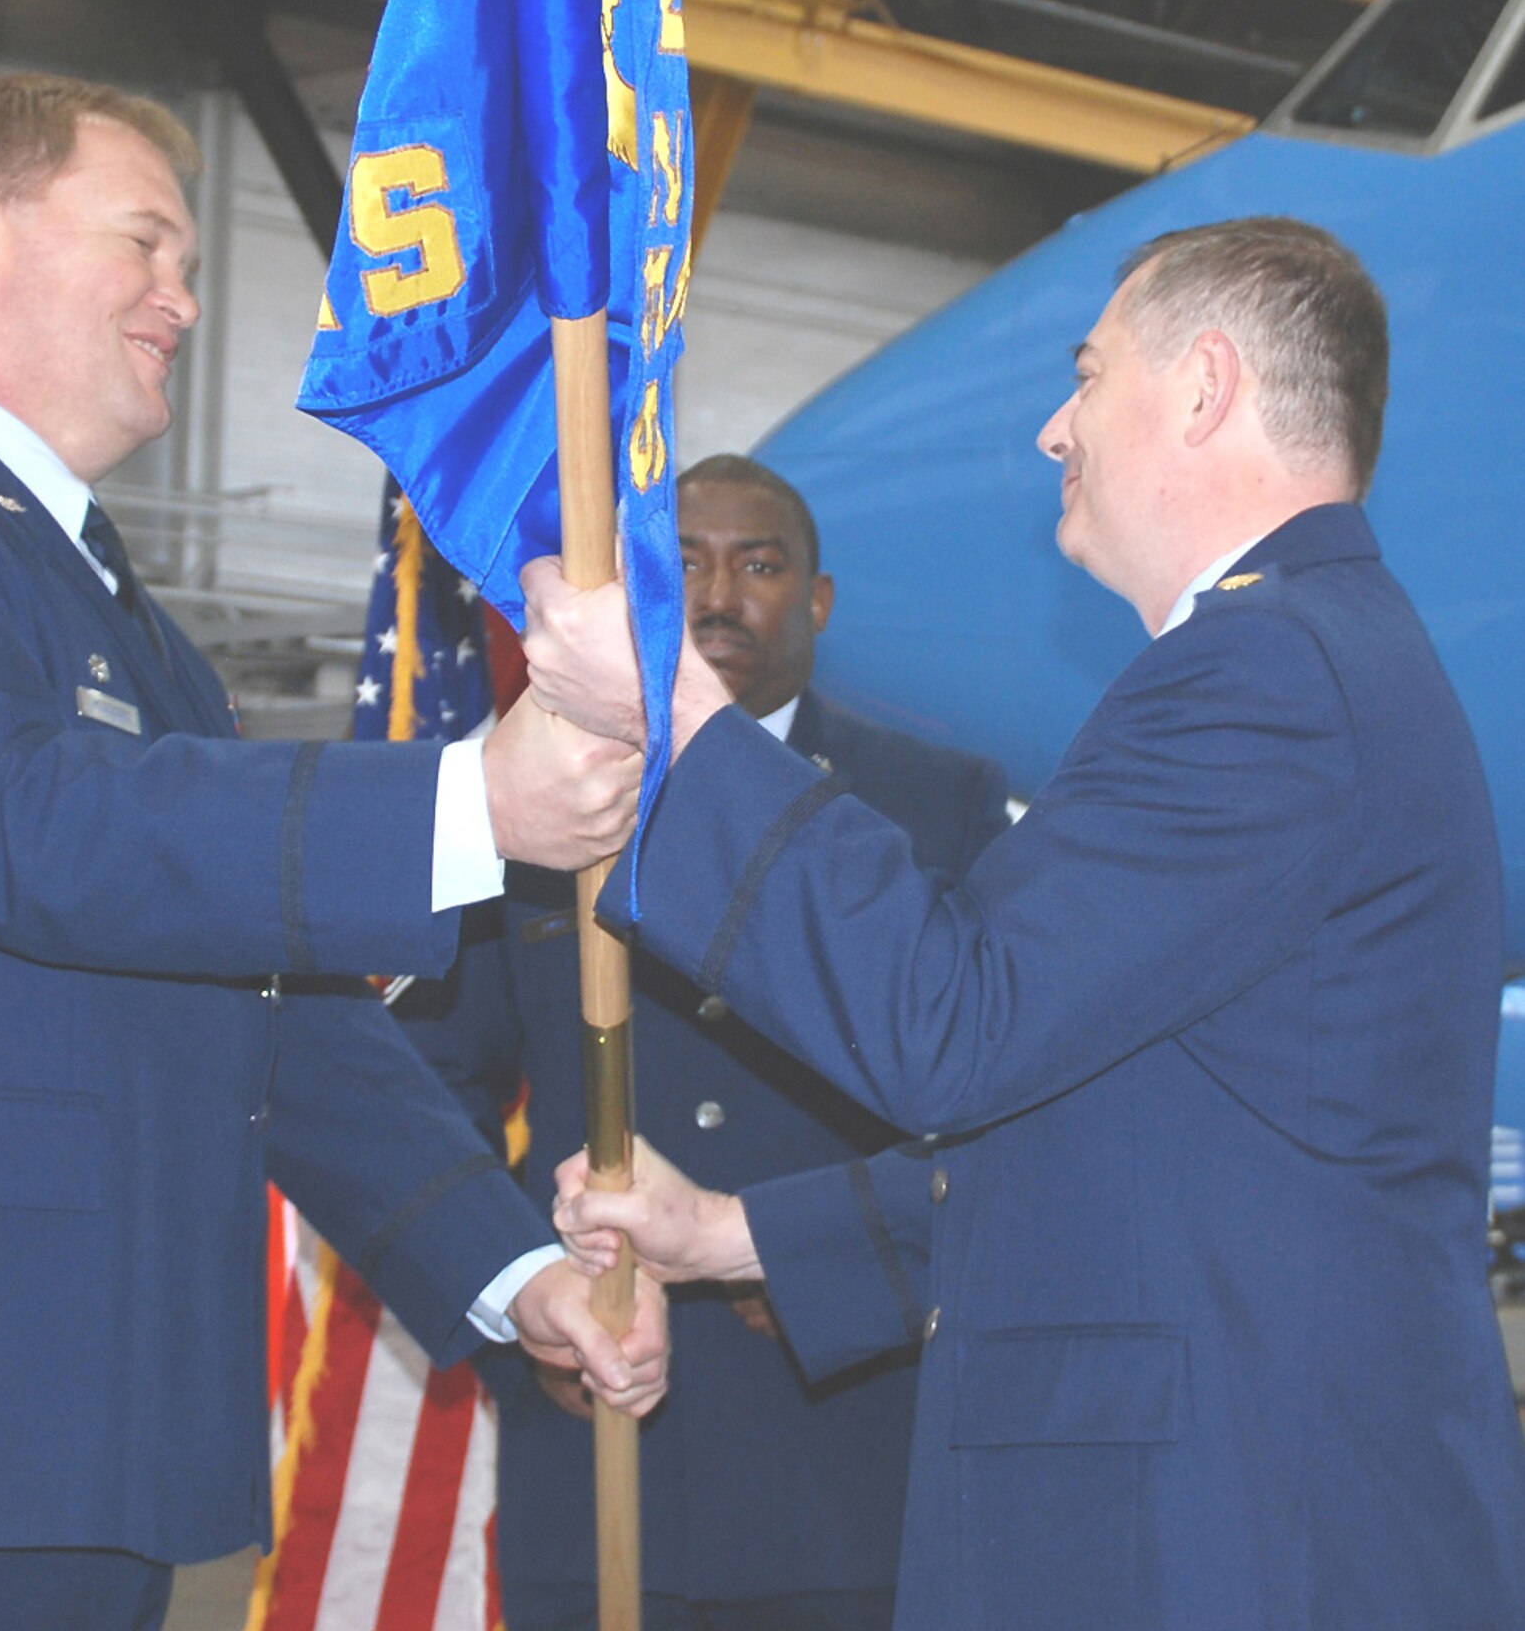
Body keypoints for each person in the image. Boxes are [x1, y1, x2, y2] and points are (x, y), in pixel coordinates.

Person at [0, 73, 667, 1631]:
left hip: (81, 1444)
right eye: (147, 244)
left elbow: (266, 1014)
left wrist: (508, 1269)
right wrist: (468, 805)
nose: (185, 300)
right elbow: (13, 823)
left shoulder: (127, 628)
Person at [530, 218, 1525, 1631]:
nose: (1055, 429)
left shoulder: (1261, 673)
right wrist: (741, 1232)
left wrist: (680, 724)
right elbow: (1118, 1122)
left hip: (1227, 1535)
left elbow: (950, 1025)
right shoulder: (1301, 653)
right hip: (1247, 1508)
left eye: (1086, 372)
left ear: (1200, 390)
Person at [402, 456, 1008, 1631]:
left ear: (819, 600)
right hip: (597, 1439)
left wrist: (835, 1258)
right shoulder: (530, 798)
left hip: (844, 1451)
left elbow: (987, 1103)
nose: (718, 592)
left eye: (759, 564)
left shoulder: (934, 802)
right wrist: (518, 1287)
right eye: (681, 563)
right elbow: (431, 1077)